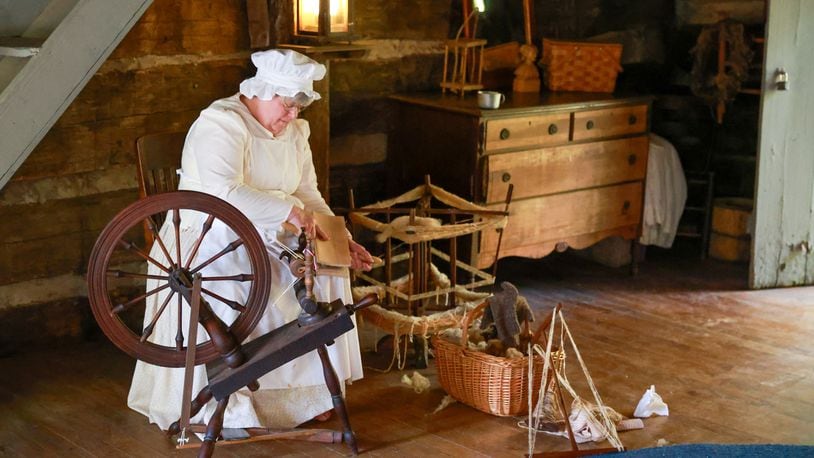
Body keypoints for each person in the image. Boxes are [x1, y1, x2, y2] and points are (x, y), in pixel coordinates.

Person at [128, 48, 374, 431]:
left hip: (272, 233)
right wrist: (290, 214)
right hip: (211, 232)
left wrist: (339, 240)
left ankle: (301, 398)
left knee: (325, 269)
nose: (293, 116)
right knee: (240, 272)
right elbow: (224, 193)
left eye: (298, 107)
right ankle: (235, 402)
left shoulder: (294, 132)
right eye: (288, 105)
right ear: (263, 91)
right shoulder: (221, 124)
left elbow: (308, 193)